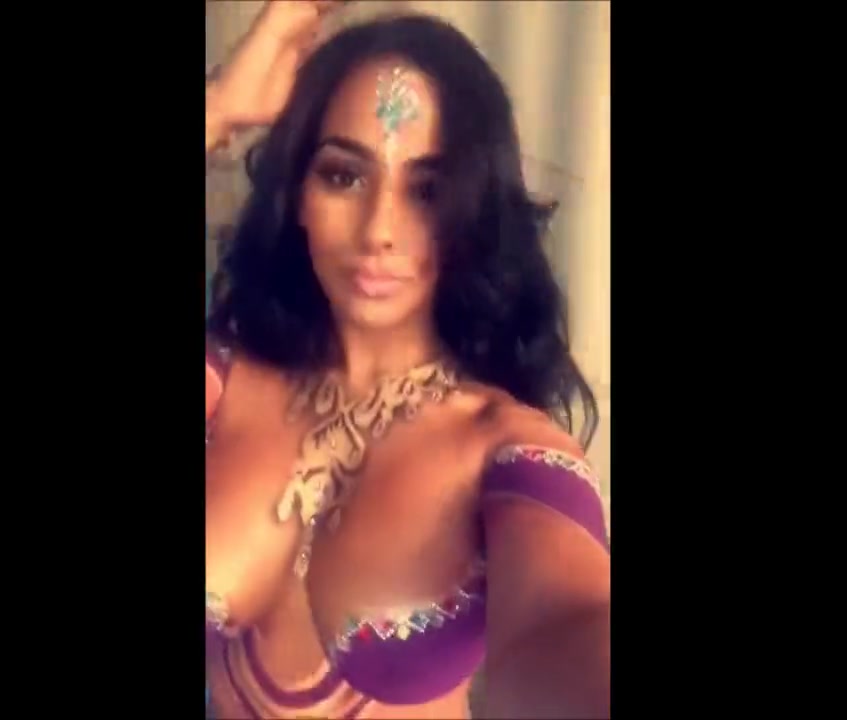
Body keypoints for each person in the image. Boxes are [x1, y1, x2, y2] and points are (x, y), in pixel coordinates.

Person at [204, 2, 610, 717]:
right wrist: (220, 107)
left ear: (473, 213)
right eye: (343, 176)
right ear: (296, 194)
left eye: (427, 190)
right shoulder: (226, 379)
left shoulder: (503, 448)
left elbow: (567, 627)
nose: (380, 232)